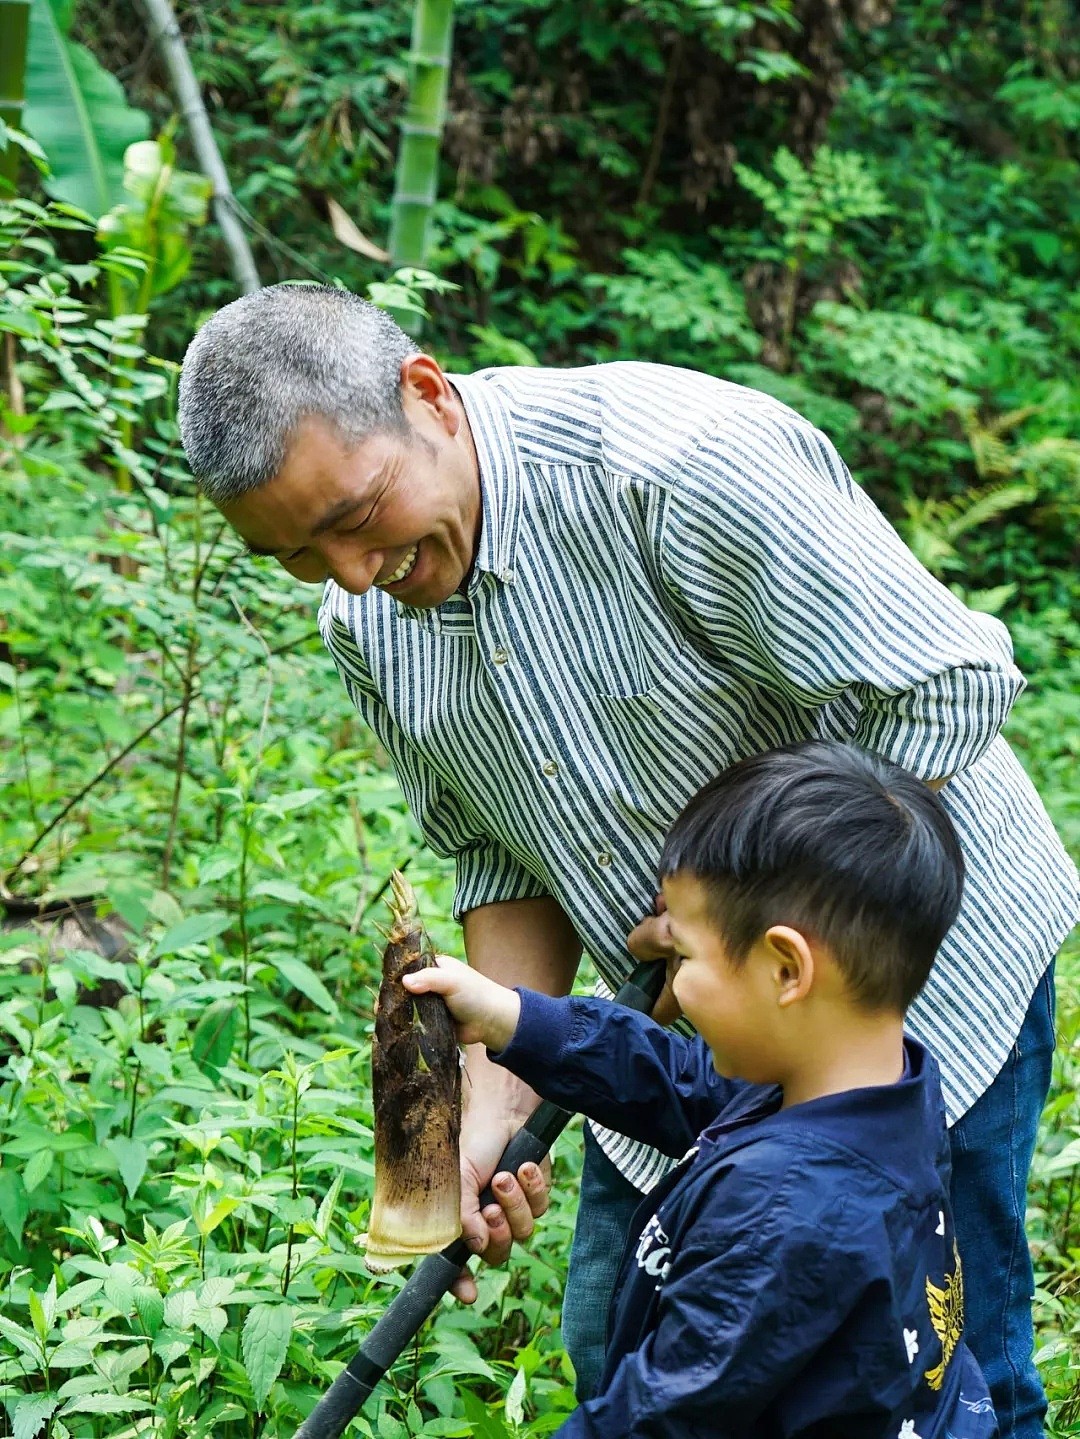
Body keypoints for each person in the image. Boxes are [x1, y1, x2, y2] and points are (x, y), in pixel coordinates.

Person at [177, 284, 1079, 1438]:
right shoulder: (371, 623)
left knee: (949, 1364)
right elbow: (505, 857)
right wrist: (491, 1115)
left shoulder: (679, 468)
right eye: (298, 556)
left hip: (902, 996)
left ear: (427, 396)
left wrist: (755, 936)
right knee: (622, 1329)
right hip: (685, 1036)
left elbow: (941, 687)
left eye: (357, 515)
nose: (353, 575)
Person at [403, 740, 997, 1438]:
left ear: (786, 969)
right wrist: (511, 1015)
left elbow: (655, 1420)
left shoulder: (778, 1217)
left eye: (684, 953)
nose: (672, 982)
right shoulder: (876, 1091)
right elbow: (671, 1077)